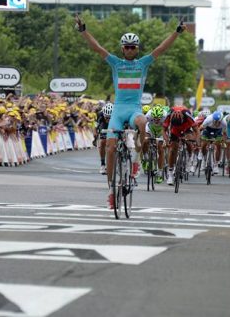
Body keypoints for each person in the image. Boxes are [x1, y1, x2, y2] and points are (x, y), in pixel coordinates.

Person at [75, 14, 186, 208]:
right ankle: (111, 190)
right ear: (122, 48)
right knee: (110, 147)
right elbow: (97, 48)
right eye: (126, 47)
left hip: (134, 108)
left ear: (137, 49)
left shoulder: (142, 63)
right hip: (118, 110)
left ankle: (136, 163)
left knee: (143, 123)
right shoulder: (116, 63)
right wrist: (83, 31)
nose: (129, 49)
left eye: (133, 47)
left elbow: (161, 48)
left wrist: (176, 32)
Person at [162, 106, 197, 185]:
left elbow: (196, 130)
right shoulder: (169, 114)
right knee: (172, 150)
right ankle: (170, 174)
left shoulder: (187, 115)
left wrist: (195, 141)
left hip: (187, 129)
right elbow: (163, 130)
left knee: (189, 141)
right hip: (174, 130)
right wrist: (167, 140)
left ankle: (189, 157)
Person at [94, 102, 113, 174]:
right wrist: (95, 138)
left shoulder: (116, 114)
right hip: (103, 125)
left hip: (113, 124)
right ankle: (102, 164)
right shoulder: (100, 114)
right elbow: (95, 127)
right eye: (106, 117)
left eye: (109, 117)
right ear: (104, 114)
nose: (108, 119)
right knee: (102, 142)